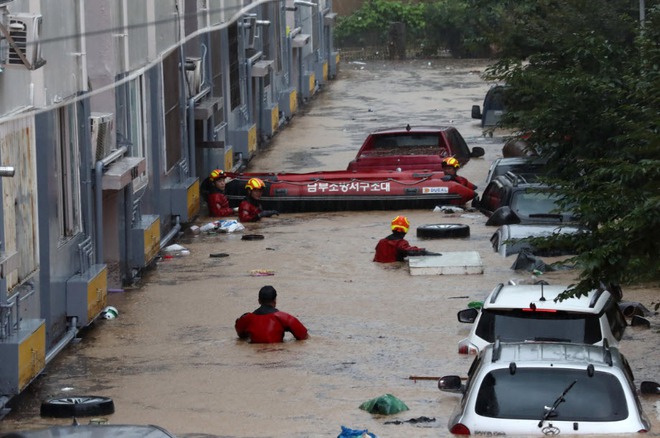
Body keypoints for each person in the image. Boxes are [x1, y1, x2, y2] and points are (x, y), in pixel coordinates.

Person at [235, 285, 308, 343]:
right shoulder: (285, 318)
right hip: (277, 357)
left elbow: (241, 336)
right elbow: (304, 336)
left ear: (259, 301)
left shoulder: (246, 318)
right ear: (275, 301)